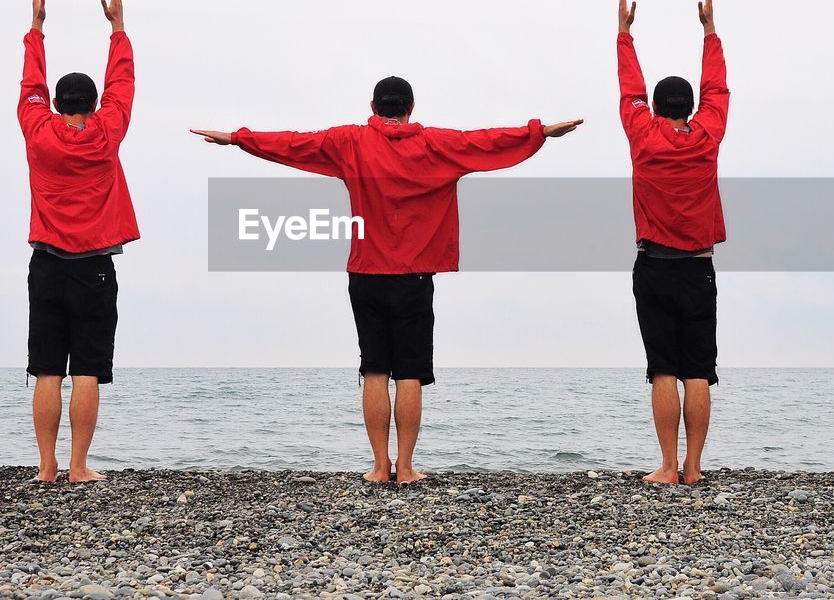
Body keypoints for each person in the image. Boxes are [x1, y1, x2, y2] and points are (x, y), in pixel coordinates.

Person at [192, 80, 581, 484]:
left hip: (365, 274)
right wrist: (540, 132)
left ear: (373, 106)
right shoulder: (437, 144)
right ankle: (406, 467)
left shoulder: (350, 142)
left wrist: (238, 139)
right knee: (409, 373)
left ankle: (380, 467)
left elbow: (292, 144)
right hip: (413, 276)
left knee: (375, 369)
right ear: (411, 107)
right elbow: (487, 142)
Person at [18, 0, 138, 483]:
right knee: (86, 369)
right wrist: (117, 28)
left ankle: (46, 467)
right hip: (93, 269)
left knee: (47, 369)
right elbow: (123, 85)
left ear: (54, 104)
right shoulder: (107, 131)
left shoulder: (37, 129)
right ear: (92, 105)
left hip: (46, 264)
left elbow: (30, 85)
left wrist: (37, 30)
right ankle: (78, 466)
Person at [617, 0, 729, 486]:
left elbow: (629, 91)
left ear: (657, 108)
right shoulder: (707, 135)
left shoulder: (643, 133)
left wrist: (624, 36)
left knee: (663, 367)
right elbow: (717, 91)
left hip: (655, 265)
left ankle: (667, 465)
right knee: (698, 369)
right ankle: (694, 467)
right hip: (698, 267)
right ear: (690, 108)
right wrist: (709, 31)